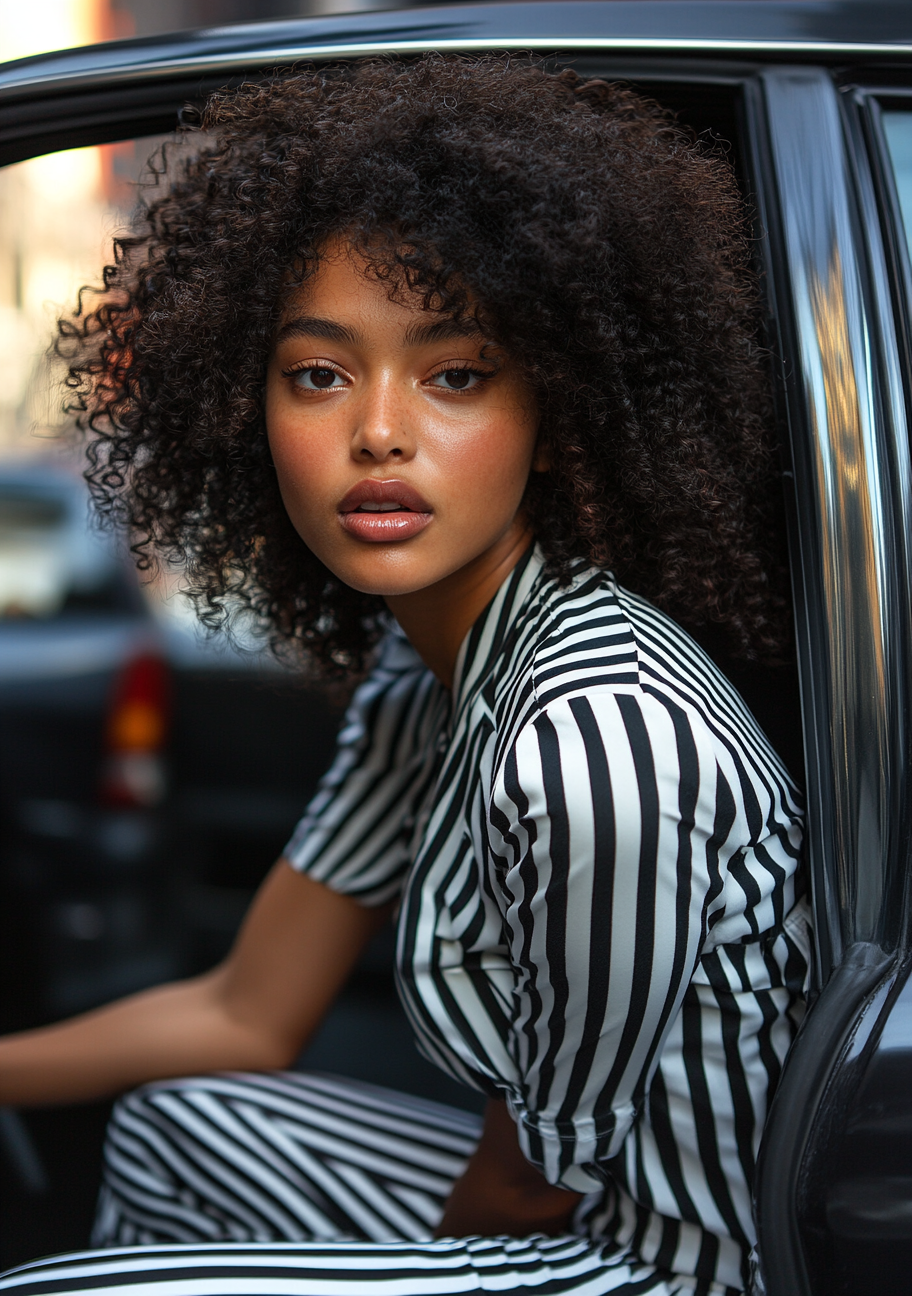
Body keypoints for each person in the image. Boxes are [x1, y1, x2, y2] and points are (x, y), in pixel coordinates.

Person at [0, 56, 809, 1296]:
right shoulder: (422, 669)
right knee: (180, 1121)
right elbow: (246, 1016)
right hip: (551, 1210)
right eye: (320, 373)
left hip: (661, 1268)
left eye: (457, 374)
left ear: (557, 417)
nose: (379, 430)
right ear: (246, 409)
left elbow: (531, 1180)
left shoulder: (597, 743)